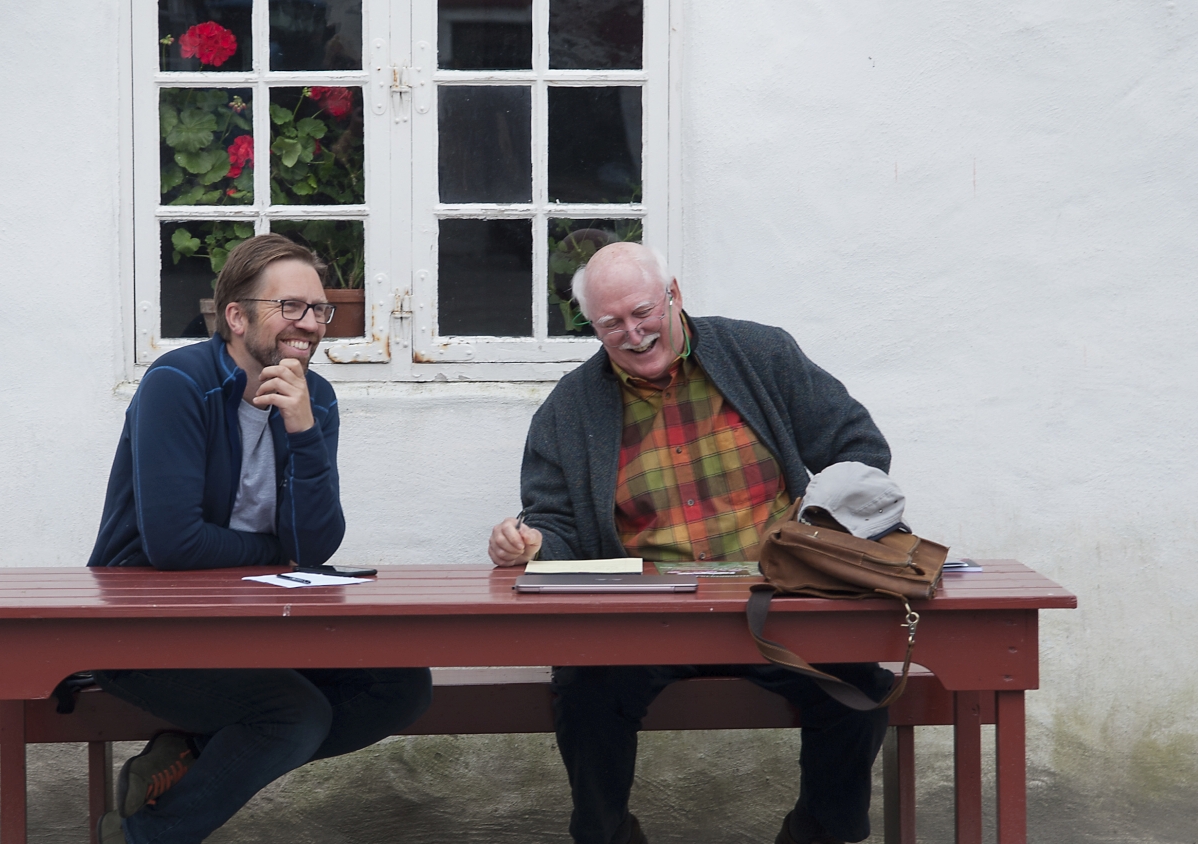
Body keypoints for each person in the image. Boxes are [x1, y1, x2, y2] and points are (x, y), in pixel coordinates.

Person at [487, 242, 893, 844]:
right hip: (648, 616)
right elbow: (556, 521)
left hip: (775, 599)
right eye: (611, 323)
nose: (633, 333)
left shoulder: (761, 355)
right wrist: (532, 544)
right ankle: (608, 836)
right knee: (584, 691)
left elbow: (860, 449)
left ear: (674, 295)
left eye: (643, 311)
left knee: (861, 685)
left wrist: (813, 537)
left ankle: (819, 833)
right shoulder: (569, 408)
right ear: (592, 327)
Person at [86, 234, 432, 844]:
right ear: (237, 317)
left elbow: (316, 543)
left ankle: (190, 753)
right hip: (144, 630)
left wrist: (302, 430)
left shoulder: (313, 399)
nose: (310, 324)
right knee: (292, 714)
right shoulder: (178, 383)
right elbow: (173, 544)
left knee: (400, 685)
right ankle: (144, 838)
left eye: (319, 310)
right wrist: (275, 553)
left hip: (252, 623)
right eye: (290, 307)